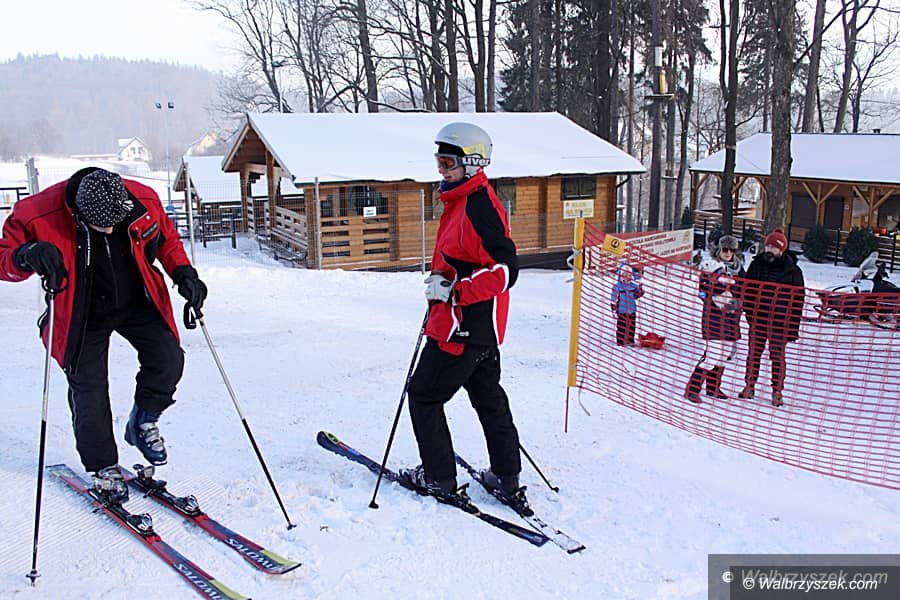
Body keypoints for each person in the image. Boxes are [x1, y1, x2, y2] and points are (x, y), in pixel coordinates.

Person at [0, 168, 207, 503]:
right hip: (81, 310)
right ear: (79, 214)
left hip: (136, 298)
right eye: (102, 226)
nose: (110, 231)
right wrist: (27, 256)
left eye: (116, 223)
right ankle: (103, 467)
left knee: (168, 357)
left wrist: (184, 274)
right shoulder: (36, 213)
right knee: (90, 388)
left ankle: (143, 421)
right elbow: (3, 260)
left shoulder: (142, 199)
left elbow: (166, 239)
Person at [398, 122, 526, 507]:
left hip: (461, 328)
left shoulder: (478, 206)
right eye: (438, 160)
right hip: (478, 328)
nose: (441, 169)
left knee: (423, 395)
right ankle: (506, 476)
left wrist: (454, 292)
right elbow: (464, 257)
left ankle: (439, 478)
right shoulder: (462, 199)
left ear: (473, 163)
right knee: (488, 398)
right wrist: (445, 279)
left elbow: (505, 270)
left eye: (448, 162)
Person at [739, 228, 804, 407]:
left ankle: (777, 391)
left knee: (777, 357)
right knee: (753, 354)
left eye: (773, 247)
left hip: (780, 323)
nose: (769, 250)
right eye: (767, 246)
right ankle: (749, 385)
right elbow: (747, 291)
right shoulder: (756, 265)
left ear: (781, 249)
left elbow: (798, 302)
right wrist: (749, 313)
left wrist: (793, 328)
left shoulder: (793, 271)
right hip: (758, 319)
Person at [684, 234, 745, 403]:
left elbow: (745, 290)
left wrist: (737, 302)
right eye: (725, 249)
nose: (728, 253)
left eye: (731, 250)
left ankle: (713, 387)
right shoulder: (710, 267)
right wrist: (719, 294)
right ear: (719, 250)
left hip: (731, 318)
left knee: (724, 354)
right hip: (713, 318)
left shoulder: (739, 270)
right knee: (712, 354)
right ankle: (692, 389)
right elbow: (703, 290)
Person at [610, 262, 644, 345]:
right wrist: (614, 309)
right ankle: (620, 341)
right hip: (622, 310)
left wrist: (640, 290)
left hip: (632, 309)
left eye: (629, 275)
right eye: (624, 275)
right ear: (620, 275)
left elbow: (636, 296)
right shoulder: (617, 286)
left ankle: (630, 340)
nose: (627, 277)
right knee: (621, 326)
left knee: (631, 326)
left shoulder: (633, 286)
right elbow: (613, 298)